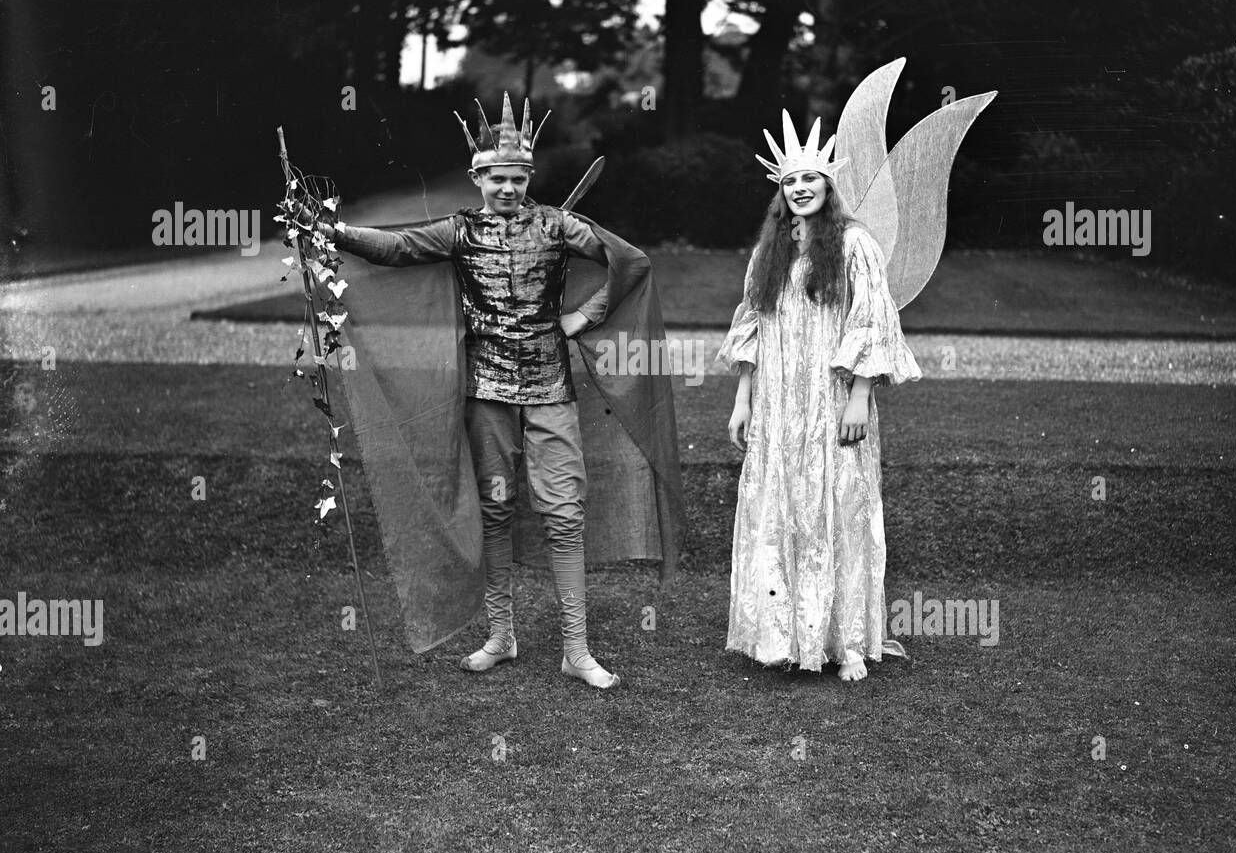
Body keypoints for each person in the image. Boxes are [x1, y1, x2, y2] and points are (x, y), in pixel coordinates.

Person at [322, 94, 669, 689]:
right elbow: (399, 248)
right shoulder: (459, 230)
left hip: (549, 383)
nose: (507, 188)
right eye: (496, 179)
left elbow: (630, 261)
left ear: (528, 177)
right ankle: (501, 636)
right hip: (485, 387)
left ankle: (576, 649)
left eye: (517, 179)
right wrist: (334, 231)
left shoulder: (560, 225)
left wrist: (582, 318)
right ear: (477, 177)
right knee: (496, 508)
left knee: (564, 513)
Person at [718, 111, 921, 681]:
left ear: (829, 186)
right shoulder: (770, 250)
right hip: (780, 405)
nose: (800, 187)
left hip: (832, 400)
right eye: (790, 181)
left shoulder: (855, 244)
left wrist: (859, 395)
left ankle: (848, 642)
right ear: (780, 192)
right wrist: (743, 400)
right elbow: (753, 326)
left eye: (811, 178)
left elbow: (871, 322)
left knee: (840, 506)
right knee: (781, 505)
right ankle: (782, 635)